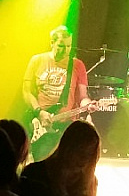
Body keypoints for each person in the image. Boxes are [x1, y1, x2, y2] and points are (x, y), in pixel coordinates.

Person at [23, 25, 91, 160]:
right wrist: (39, 112)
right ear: (52, 43)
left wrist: (88, 104)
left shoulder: (77, 65)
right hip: (41, 123)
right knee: (41, 161)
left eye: (68, 46)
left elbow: (83, 97)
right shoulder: (37, 61)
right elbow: (26, 91)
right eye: (61, 46)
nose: (65, 50)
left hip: (66, 124)